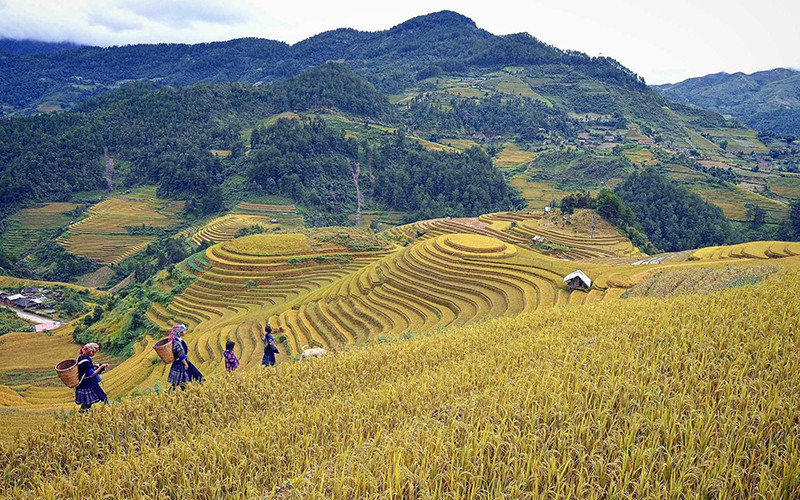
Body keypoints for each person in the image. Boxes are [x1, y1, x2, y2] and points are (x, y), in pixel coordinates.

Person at [167, 324, 204, 390]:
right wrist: (185, 364)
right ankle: (171, 395)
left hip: (183, 362)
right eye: (184, 331)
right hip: (180, 363)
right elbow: (181, 355)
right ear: (180, 332)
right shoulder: (176, 342)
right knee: (179, 382)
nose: (185, 332)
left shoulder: (178, 339)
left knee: (180, 382)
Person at [75, 343, 108, 412]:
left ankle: (82, 415)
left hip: (83, 384)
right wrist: (101, 367)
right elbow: (91, 375)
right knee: (103, 397)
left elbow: (88, 368)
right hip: (88, 384)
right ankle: (109, 411)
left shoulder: (81, 358)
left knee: (86, 404)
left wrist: (96, 365)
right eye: (94, 351)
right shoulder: (85, 362)